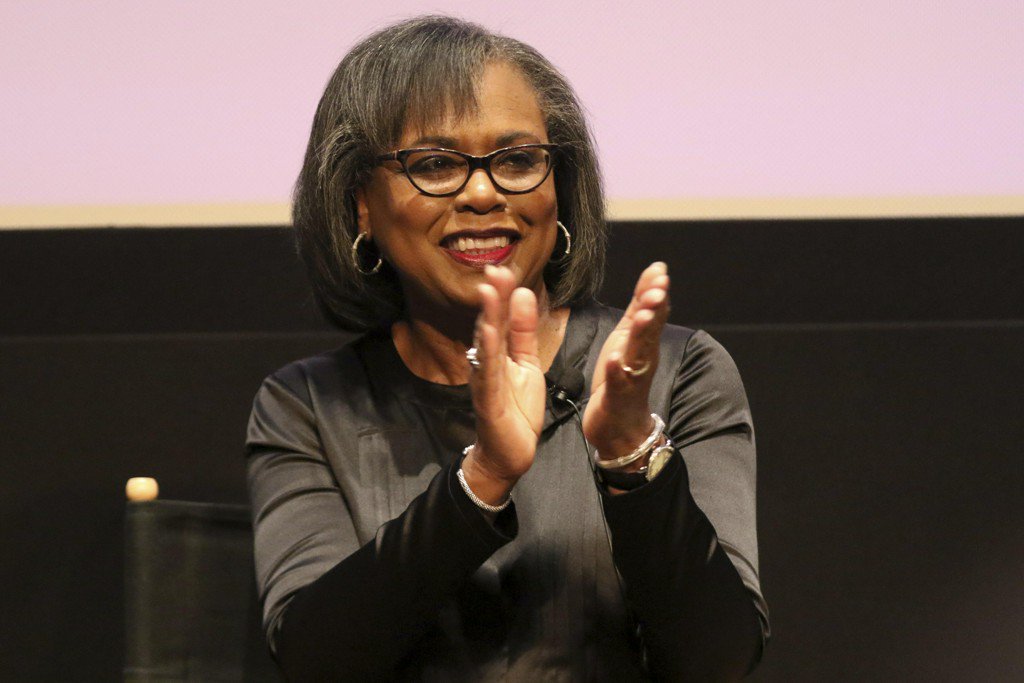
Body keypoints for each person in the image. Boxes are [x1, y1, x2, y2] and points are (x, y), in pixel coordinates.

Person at [246, 15, 769, 681]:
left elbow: (719, 658)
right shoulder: (307, 406)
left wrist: (631, 456)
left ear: (559, 189)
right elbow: (316, 660)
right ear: (361, 206)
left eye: (518, 160)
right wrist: (484, 479)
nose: (484, 192)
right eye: (435, 164)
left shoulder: (678, 372)